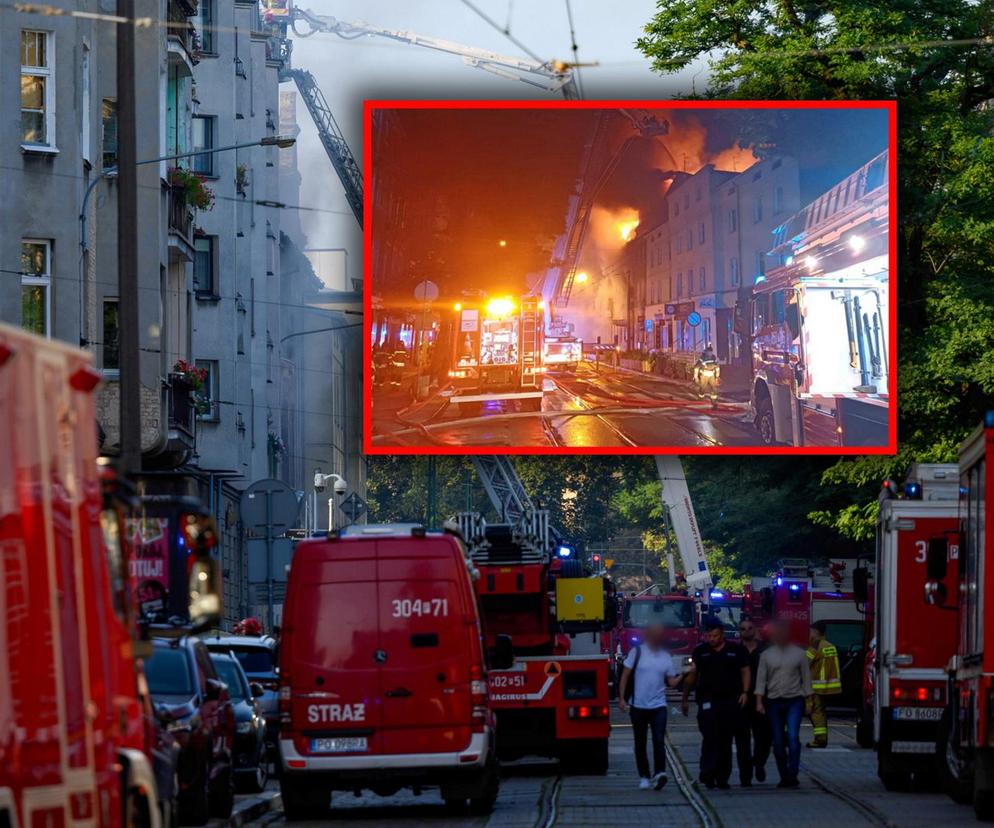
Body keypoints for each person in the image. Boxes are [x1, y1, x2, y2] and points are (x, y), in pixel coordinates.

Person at [681, 616, 750, 789]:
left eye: (715, 636)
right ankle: (707, 772)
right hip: (707, 701)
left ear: (722, 635)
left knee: (725, 740)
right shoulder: (700, 651)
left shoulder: (735, 650)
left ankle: (722, 777)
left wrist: (745, 692)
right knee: (710, 737)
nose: (712, 639)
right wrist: (685, 698)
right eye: (709, 636)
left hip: (730, 701)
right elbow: (692, 676)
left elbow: (745, 671)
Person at [618, 623, 683, 790]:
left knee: (659, 740)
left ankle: (660, 773)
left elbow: (671, 681)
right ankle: (644, 775)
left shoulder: (665, 656)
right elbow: (625, 675)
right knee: (640, 743)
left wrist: (685, 673)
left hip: (658, 706)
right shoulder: (637, 652)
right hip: (638, 706)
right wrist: (622, 698)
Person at [755, 619, 814, 788]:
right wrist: (759, 702)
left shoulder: (799, 654)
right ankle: (784, 775)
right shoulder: (766, 655)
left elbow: (806, 678)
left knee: (793, 737)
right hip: (773, 701)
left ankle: (793, 773)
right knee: (778, 741)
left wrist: (809, 701)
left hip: (794, 700)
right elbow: (761, 680)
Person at [735, 616, 772, 785]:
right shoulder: (735, 650)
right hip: (741, 699)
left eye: (750, 628)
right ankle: (745, 775)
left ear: (755, 630)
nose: (746, 631)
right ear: (739, 631)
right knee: (742, 739)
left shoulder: (765, 650)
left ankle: (758, 762)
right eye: (743, 629)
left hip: (762, 699)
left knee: (763, 737)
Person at [806, 620, 842, 747]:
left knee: (816, 713)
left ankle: (820, 740)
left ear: (815, 632)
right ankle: (821, 739)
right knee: (820, 711)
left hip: (815, 686)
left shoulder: (815, 645)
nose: (809, 634)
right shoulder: (829, 645)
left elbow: (804, 664)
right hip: (826, 686)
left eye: (810, 631)